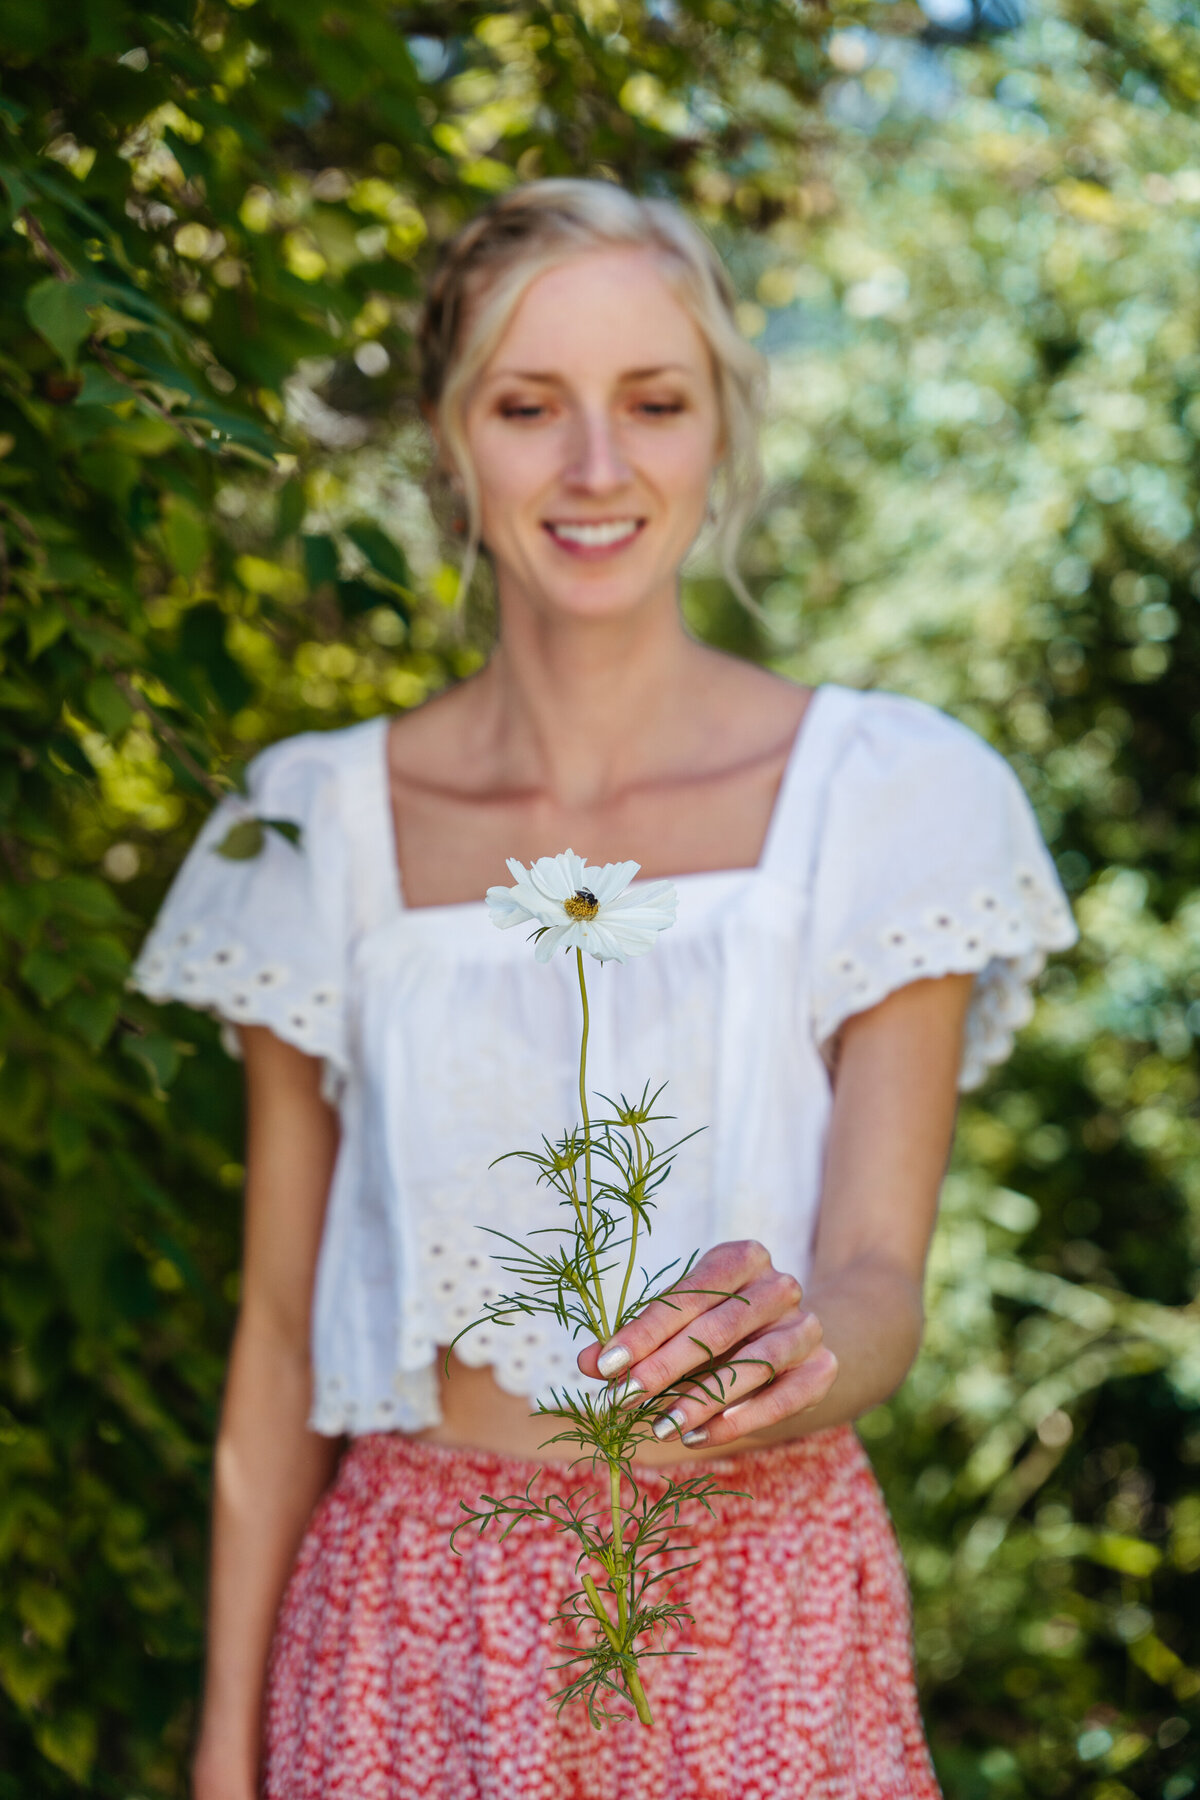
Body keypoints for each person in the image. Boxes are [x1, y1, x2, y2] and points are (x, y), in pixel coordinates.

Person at [132, 180, 1078, 1800]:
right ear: (448, 439)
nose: (594, 468)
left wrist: (788, 1351)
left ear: (721, 427)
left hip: (754, 1608)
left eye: (652, 403)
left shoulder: (887, 791)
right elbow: (281, 1337)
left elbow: (873, 1270)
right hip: (402, 1623)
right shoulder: (312, 822)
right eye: (527, 406)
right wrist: (228, 1756)